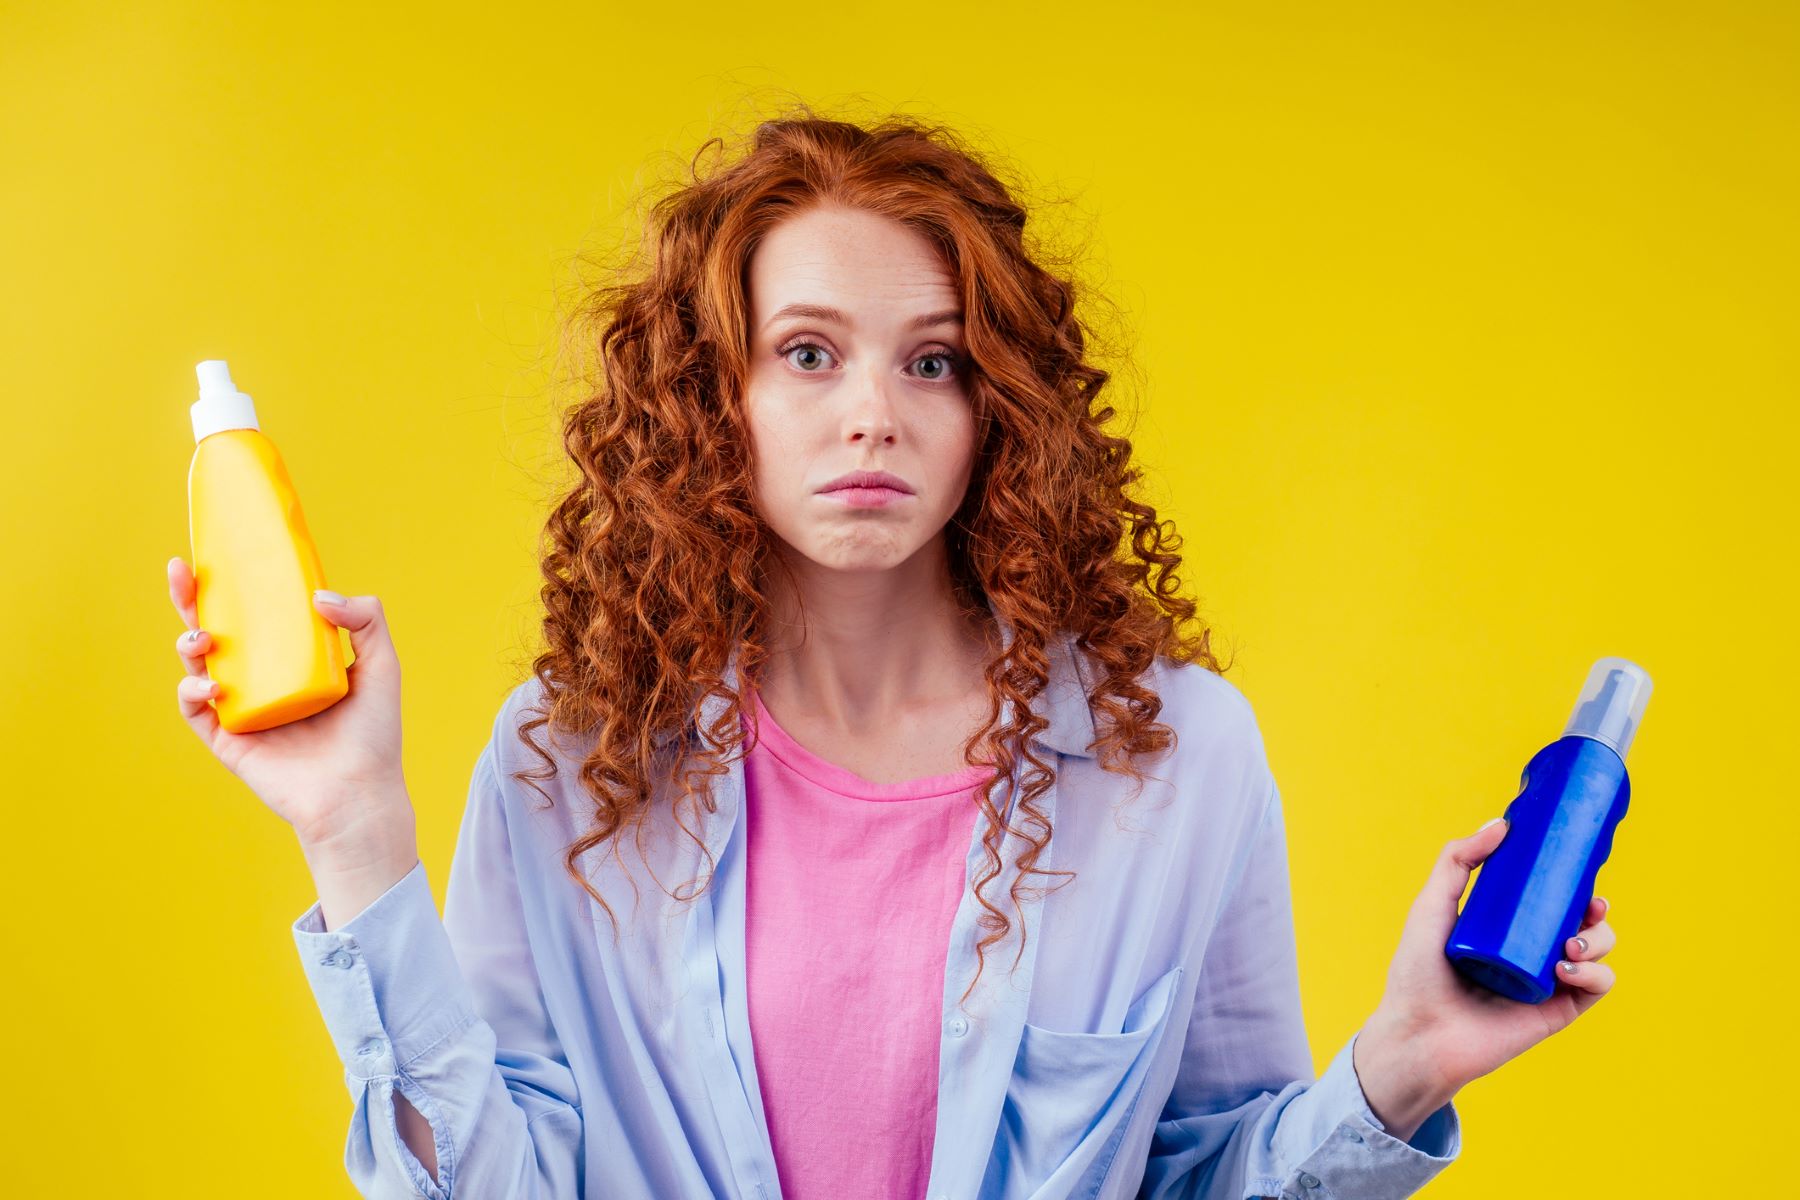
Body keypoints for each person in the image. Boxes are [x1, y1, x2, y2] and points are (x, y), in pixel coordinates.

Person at [167, 108, 1617, 1200]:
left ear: (1000, 409)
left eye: (931, 360)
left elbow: (1211, 1176)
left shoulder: (1173, 756)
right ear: (707, 397)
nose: (873, 413)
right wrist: (354, 835)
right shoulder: (568, 761)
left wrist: (1406, 1062)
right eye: (807, 352)